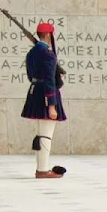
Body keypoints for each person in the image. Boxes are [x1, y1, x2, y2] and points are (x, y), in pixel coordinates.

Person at [21, 22, 66, 178]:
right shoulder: (48, 53)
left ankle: (42, 168)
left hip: (35, 92)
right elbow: (49, 80)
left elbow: (30, 76)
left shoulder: (31, 53)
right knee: (46, 135)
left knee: (41, 134)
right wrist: (51, 105)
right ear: (48, 35)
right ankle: (42, 170)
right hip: (46, 95)